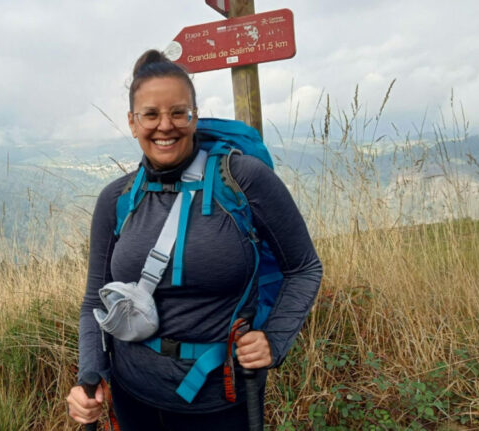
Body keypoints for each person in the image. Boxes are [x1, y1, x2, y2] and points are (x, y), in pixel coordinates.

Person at [66, 49, 322, 430]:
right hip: (132, 395)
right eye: (151, 114)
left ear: (194, 116)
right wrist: (90, 376)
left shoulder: (243, 179)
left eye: (178, 113)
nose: (164, 125)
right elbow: (94, 301)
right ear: (133, 123)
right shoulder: (116, 199)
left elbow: (304, 267)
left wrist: (274, 338)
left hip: (222, 400)